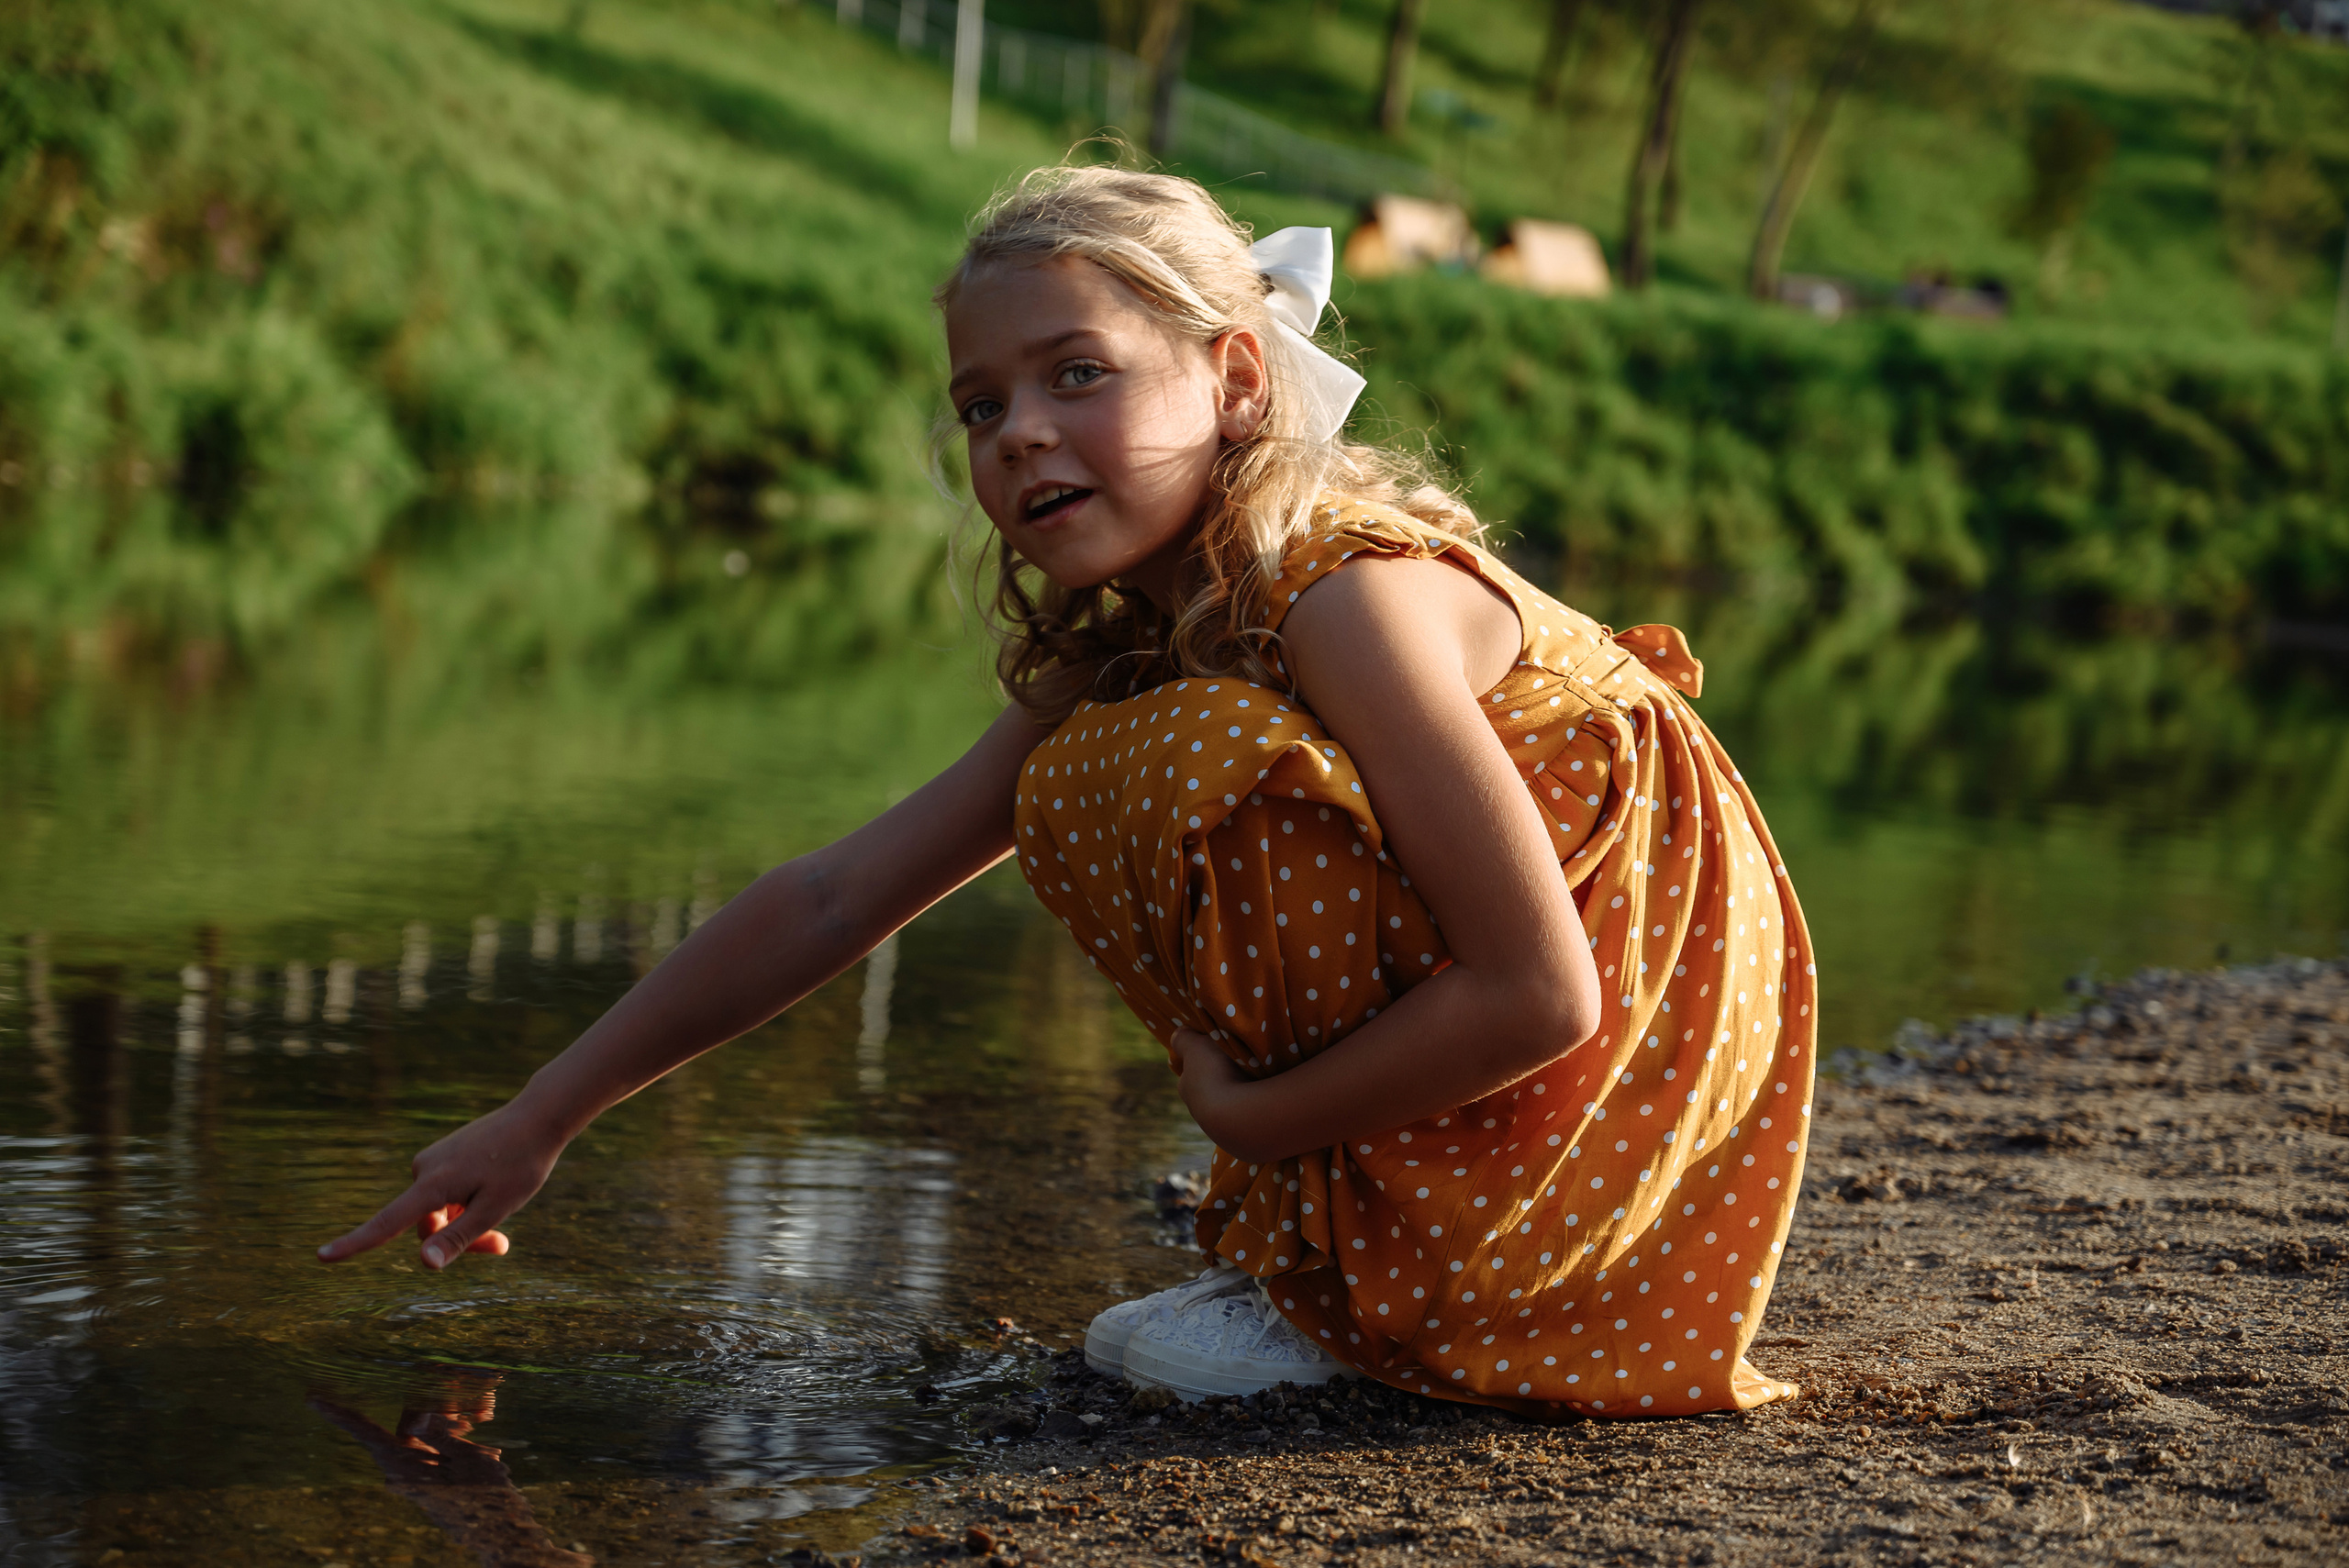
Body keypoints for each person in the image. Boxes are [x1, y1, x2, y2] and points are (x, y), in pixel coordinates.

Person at [321, 164, 1818, 1420]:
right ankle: (1349, 1273)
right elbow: (842, 892)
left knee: (1141, 768)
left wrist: (1259, 1124)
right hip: (1533, 1105)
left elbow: (1542, 993)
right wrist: (544, 1112)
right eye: (980, 405)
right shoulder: (1163, 634)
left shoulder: (1344, 597)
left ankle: (1377, 1303)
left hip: (1596, 1127)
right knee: (1103, 748)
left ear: (1238, 379)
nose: (1017, 430)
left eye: (1078, 373)